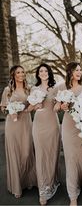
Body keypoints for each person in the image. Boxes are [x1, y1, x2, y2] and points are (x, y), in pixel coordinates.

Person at [54, 62, 82, 206]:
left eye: (80, 69)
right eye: (75, 70)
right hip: (69, 126)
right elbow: (55, 107)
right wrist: (61, 106)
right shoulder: (61, 87)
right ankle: (73, 195)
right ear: (69, 72)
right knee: (71, 159)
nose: (79, 72)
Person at [0, 65, 36, 198]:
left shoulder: (29, 89)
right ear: (13, 75)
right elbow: (3, 108)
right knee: (15, 154)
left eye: (23, 72)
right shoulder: (8, 90)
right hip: (13, 125)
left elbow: (33, 104)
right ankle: (17, 186)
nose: (21, 74)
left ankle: (28, 180)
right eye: (18, 72)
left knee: (27, 152)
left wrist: (31, 107)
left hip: (26, 123)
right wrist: (10, 110)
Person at [28, 63, 60, 205]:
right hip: (39, 125)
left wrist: (60, 104)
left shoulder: (55, 88)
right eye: (40, 71)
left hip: (52, 124)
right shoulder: (33, 89)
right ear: (38, 74)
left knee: (52, 154)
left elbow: (57, 108)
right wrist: (35, 105)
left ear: (49, 73)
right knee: (41, 155)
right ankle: (43, 190)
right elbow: (29, 108)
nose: (43, 72)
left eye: (45, 70)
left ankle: (52, 181)